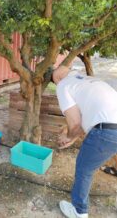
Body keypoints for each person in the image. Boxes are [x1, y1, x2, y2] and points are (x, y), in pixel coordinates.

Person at [52, 66, 117, 218]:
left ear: (56, 79)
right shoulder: (89, 80)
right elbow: (87, 120)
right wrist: (73, 138)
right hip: (109, 127)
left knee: (84, 169)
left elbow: (74, 124)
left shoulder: (63, 85)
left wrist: (68, 137)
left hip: (107, 131)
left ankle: (79, 211)